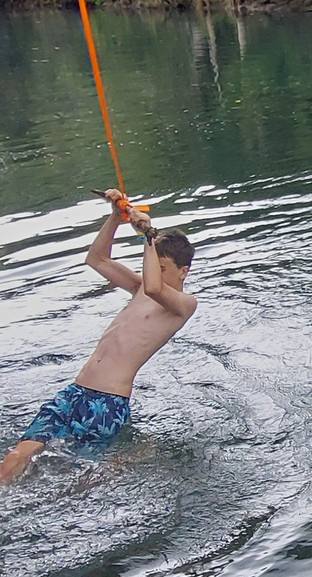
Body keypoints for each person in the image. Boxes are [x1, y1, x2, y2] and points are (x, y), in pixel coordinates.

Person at [1, 190, 197, 484]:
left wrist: (148, 236)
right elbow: (96, 259)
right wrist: (116, 218)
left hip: (107, 402)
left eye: (161, 267)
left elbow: (156, 288)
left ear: (183, 272)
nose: (153, 272)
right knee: (17, 456)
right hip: (74, 392)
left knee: (84, 479)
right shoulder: (139, 288)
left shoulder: (183, 305)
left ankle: (127, 461)